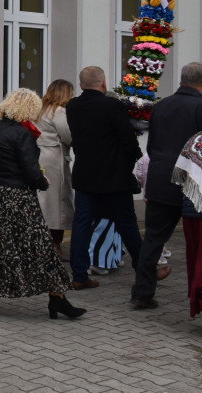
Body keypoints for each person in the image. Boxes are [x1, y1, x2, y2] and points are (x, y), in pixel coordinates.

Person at [0, 88, 85, 319]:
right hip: (17, 196)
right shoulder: (22, 134)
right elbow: (30, 171)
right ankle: (57, 299)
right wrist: (43, 182)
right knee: (41, 246)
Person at [130, 63, 202, 308]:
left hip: (160, 176)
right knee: (196, 242)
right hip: (191, 180)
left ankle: (142, 292)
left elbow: (152, 144)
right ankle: (196, 295)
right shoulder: (200, 106)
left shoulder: (161, 105)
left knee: (153, 238)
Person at [65, 66, 143, 290]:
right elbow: (128, 141)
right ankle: (144, 269)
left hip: (84, 174)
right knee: (127, 223)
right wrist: (129, 163)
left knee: (81, 225)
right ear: (103, 82)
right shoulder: (112, 106)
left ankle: (79, 275)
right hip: (113, 177)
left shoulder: (73, 106)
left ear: (80, 85)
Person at [37, 79, 75, 259]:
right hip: (54, 158)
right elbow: (68, 136)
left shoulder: (39, 110)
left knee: (42, 201)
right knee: (56, 203)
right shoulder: (59, 112)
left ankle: (42, 243)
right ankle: (54, 245)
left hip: (39, 156)